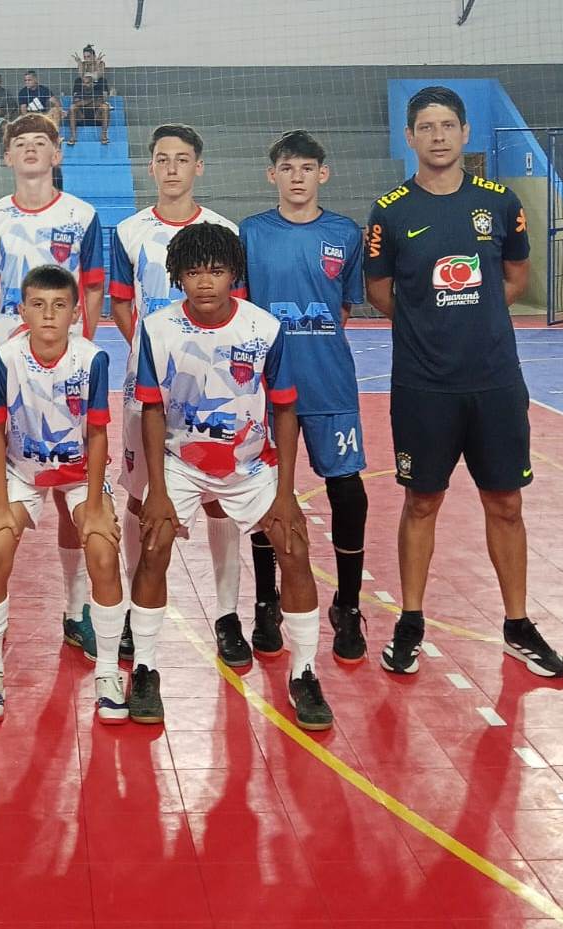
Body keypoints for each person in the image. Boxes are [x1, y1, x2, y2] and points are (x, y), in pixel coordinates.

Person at [364, 85, 563, 678]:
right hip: (423, 385)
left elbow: (516, 274)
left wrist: (474, 317)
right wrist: (429, 321)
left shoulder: (499, 202)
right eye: (426, 127)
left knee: (506, 502)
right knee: (421, 501)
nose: (438, 136)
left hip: (495, 381)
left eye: (448, 125)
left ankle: (517, 624)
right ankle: (411, 621)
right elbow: (380, 291)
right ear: (410, 137)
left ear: (465, 132)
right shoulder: (390, 210)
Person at [131, 222, 334, 731]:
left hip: (249, 465)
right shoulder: (156, 329)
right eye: (194, 272)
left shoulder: (264, 328)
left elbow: (285, 410)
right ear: (177, 276)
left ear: (234, 275)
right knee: (153, 546)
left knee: (294, 547)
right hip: (180, 461)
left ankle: (305, 673)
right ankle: (145, 669)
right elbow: (152, 410)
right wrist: (158, 490)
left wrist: (285, 493)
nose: (205, 282)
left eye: (217, 271)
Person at [0, 112, 104, 660]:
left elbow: (92, 288)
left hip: (69, 364)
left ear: (56, 153)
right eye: (21, 143)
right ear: (8, 157)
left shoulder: (82, 215)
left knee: (72, 491)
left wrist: (79, 351)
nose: (32, 150)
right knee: (8, 481)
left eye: (41, 142)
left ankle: (77, 610)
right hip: (12, 360)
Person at [0, 264, 126, 724]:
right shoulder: (5, 358)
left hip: (79, 472)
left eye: (59, 306)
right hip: (21, 471)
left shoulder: (91, 359)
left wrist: (95, 506)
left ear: (75, 313)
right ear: (22, 310)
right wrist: (0, 504)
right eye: (38, 305)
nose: (47, 315)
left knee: (103, 551)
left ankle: (108, 673)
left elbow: (97, 433)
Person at [108, 124, 237, 666]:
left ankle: (227, 615)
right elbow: (120, 303)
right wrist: (150, 352)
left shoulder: (224, 230)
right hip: (145, 387)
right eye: (162, 159)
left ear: (198, 166)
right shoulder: (129, 231)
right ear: (151, 167)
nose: (172, 168)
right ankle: (135, 609)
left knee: (219, 496)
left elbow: (237, 306)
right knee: (140, 497)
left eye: (182, 159)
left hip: (213, 387)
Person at [239, 129, 368, 667]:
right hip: (266, 389)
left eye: (307, 168)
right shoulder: (250, 233)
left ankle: (349, 604)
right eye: (288, 168)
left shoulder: (345, 233)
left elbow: (344, 308)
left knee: (348, 492)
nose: (297, 177)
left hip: (329, 383)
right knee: (266, 494)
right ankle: (265, 602)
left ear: (323, 174)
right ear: (272, 175)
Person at [67, 72, 110, 146]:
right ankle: (73, 136)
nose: (84, 84)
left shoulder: (98, 91)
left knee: (105, 107)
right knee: (72, 107)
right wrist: (92, 100)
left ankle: (104, 136)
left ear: (92, 84)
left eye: (87, 83)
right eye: (83, 83)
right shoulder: (79, 92)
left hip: (96, 115)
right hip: (82, 115)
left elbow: (100, 103)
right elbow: (76, 103)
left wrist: (84, 103)